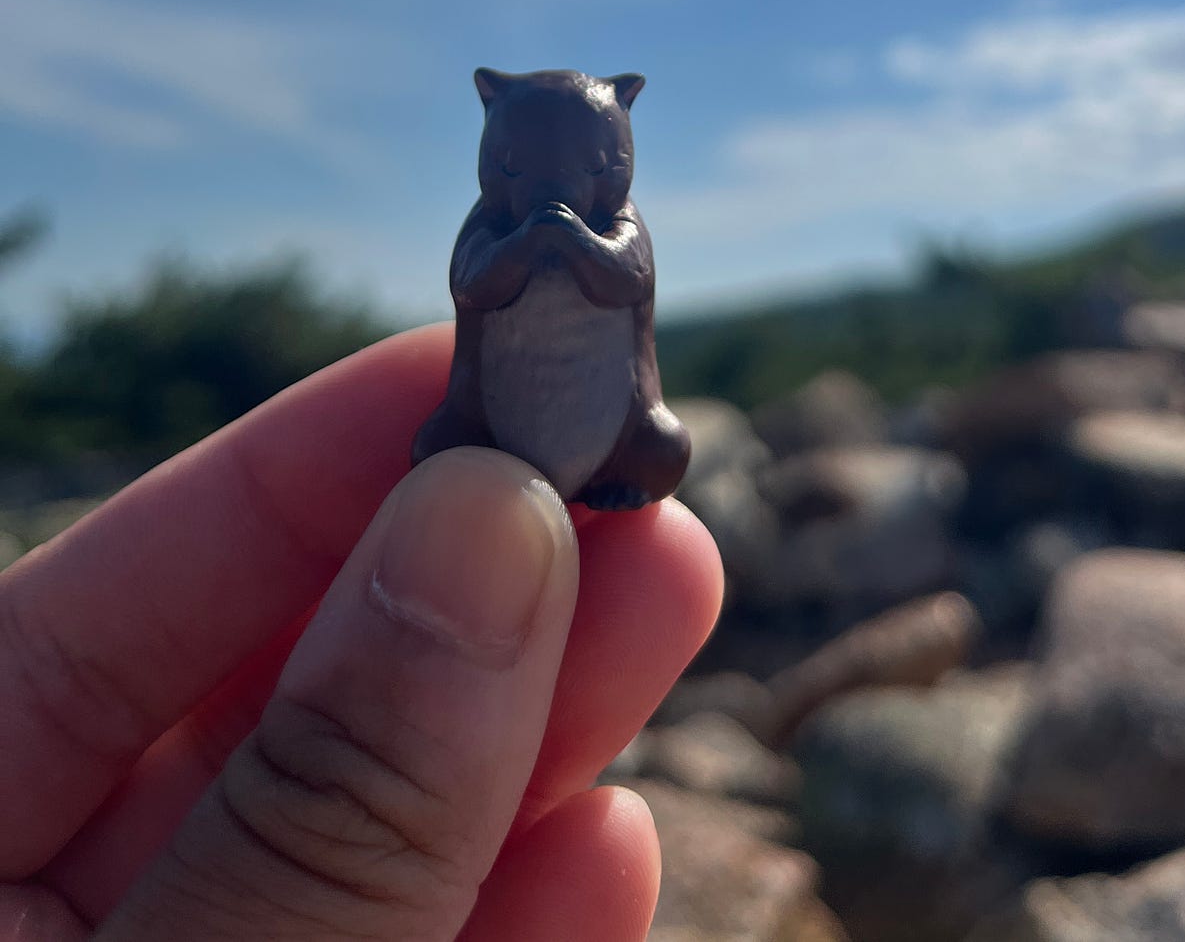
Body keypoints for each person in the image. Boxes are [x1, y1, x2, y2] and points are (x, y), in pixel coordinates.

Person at [0, 324, 723, 940]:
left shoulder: (616, 239)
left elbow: (623, 288)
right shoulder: (497, 232)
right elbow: (478, 281)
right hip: (497, 427)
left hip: (599, 428)